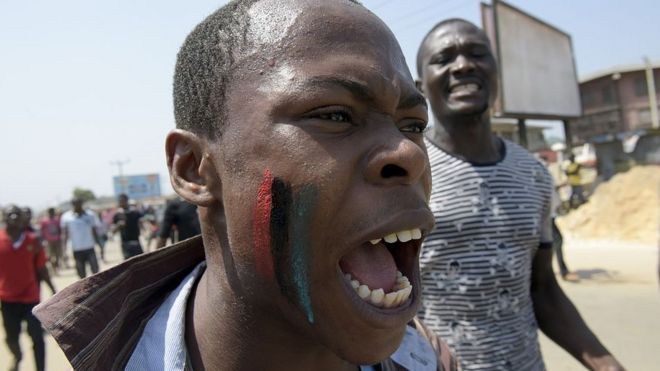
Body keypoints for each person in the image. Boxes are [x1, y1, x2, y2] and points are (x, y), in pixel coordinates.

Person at [33, 1, 459, 370]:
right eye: (335, 115)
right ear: (194, 168)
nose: (410, 153)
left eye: (414, 124)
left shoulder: (430, 360)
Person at [415, 19, 624, 370]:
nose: (463, 65)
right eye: (444, 58)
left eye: (477, 54)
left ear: (496, 72)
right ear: (421, 85)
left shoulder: (534, 175)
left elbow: (542, 290)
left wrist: (607, 365)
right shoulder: (407, 171)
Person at [1, 205, 55, 371]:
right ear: (4, 217)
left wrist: (53, 288)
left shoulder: (33, 240)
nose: (15, 217)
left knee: (37, 338)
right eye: (11, 214)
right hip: (8, 299)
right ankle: (17, 356)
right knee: (11, 338)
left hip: (30, 298)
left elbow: (41, 269)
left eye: (17, 214)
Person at [60, 198, 101, 278]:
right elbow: (64, 234)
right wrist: (64, 250)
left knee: (95, 271)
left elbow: (94, 231)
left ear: (82, 203)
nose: (77, 206)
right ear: (72, 205)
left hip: (90, 248)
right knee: (81, 273)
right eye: (75, 204)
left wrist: (99, 244)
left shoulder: (90, 215)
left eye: (79, 203)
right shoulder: (66, 217)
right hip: (77, 249)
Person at [112, 194, 145, 259]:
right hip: (125, 243)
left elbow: (141, 221)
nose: (121, 203)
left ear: (126, 201)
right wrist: (118, 225)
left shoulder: (134, 212)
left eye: (122, 201)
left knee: (140, 261)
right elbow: (113, 231)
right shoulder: (117, 214)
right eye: (120, 201)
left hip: (136, 241)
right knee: (128, 264)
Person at [40, 207, 65, 272]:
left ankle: (56, 265)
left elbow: (60, 229)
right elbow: (42, 231)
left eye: (52, 212)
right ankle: (54, 267)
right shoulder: (44, 221)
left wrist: (60, 237)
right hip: (49, 241)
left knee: (58, 254)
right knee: (50, 255)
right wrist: (43, 240)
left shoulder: (57, 220)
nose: (51, 213)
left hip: (57, 240)